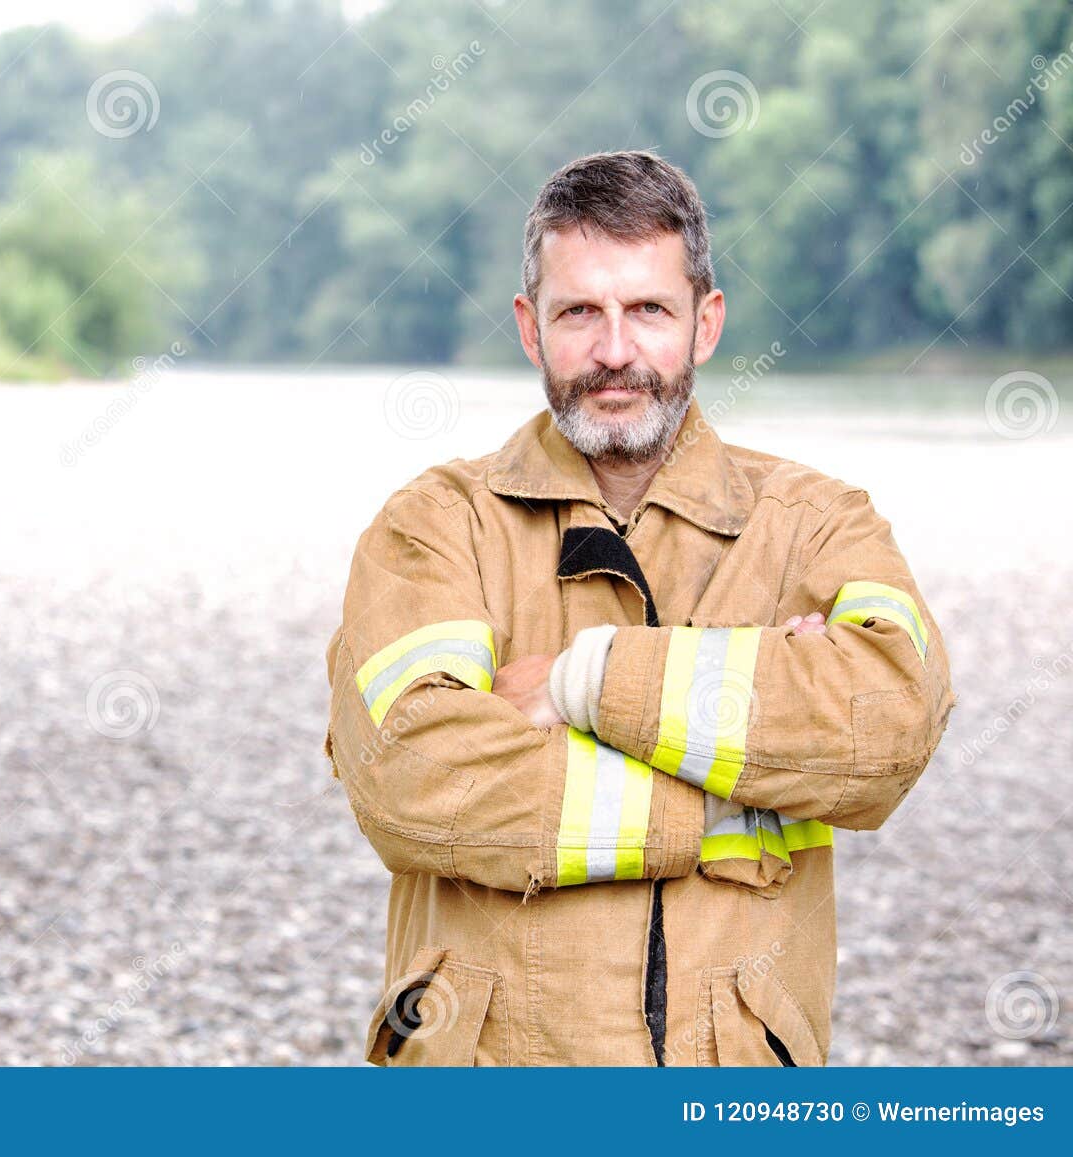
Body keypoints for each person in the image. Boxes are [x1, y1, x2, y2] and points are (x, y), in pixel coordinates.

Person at [322, 149, 957, 1067]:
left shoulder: (817, 522)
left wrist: (584, 680)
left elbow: (886, 726)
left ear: (706, 323)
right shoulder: (433, 526)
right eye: (580, 311)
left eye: (648, 310)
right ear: (529, 327)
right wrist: (736, 806)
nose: (614, 351)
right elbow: (416, 779)